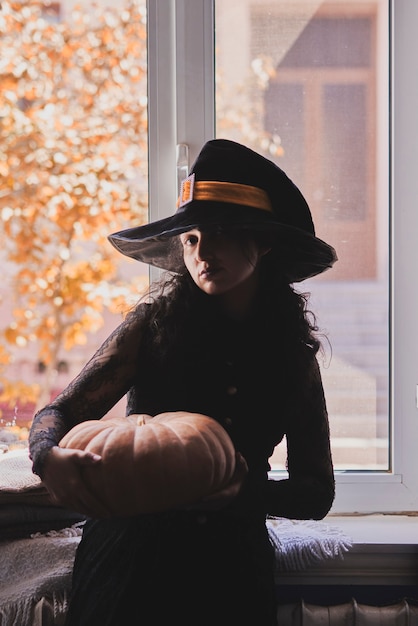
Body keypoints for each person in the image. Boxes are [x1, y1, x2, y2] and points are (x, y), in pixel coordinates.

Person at [29, 138, 337, 626]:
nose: (202, 252)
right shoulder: (154, 326)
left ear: (263, 240)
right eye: (191, 239)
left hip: (230, 570)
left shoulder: (294, 362)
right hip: (128, 561)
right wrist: (49, 456)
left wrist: (241, 492)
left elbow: (316, 492)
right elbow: (61, 413)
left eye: (218, 233)